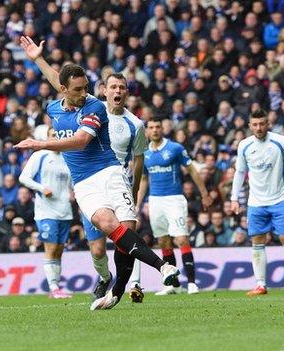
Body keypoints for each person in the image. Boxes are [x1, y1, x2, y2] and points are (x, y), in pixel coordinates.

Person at [15, 37, 179, 311]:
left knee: (126, 233)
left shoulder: (94, 107)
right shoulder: (54, 107)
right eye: (77, 89)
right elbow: (59, 80)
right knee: (106, 223)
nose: (84, 93)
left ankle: (116, 292)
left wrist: (40, 143)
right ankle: (161, 267)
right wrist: (37, 59)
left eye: (86, 88)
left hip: (110, 172)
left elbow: (80, 141)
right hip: (84, 183)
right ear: (64, 90)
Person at [230, 109, 284, 296]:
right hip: (256, 202)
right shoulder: (244, 145)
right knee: (257, 240)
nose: (258, 128)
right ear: (249, 126)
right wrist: (234, 198)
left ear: (268, 124)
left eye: (262, 124)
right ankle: (261, 284)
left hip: (279, 198)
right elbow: (240, 172)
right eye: (255, 124)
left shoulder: (280, 142)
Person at [135, 118, 212, 295]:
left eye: (157, 127)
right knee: (164, 241)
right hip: (155, 201)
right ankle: (174, 285)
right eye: (151, 127)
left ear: (162, 129)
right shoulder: (145, 153)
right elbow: (144, 180)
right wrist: (138, 204)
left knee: (182, 239)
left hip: (174, 199)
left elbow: (192, 169)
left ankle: (192, 282)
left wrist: (204, 193)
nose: (154, 130)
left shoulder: (175, 148)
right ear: (147, 131)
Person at [19, 127, 73, 299]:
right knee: (50, 247)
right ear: (47, 138)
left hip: (65, 210)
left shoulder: (67, 158)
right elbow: (23, 178)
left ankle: (56, 288)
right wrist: (42, 188)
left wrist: (74, 192)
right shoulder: (40, 155)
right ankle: (54, 288)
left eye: (58, 135)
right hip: (46, 210)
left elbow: (71, 184)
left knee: (59, 249)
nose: (56, 138)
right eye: (52, 135)